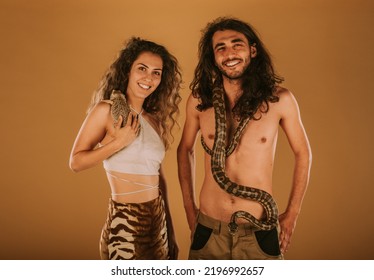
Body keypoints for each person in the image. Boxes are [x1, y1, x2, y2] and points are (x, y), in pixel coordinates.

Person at [177, 17, 312, 260]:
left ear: (253, 50)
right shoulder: (199, 101)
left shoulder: (280, 100)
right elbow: (184, 149)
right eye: (221, 47)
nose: (229, 53)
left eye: (236, 44)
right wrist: (189, 210)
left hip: (260, 229)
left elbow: (303, 152)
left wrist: (292, 213)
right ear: (213, 57)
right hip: (209, 228)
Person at [69, 37, 182, 260]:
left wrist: (170, 228)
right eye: (142, 68)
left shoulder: (154, 120)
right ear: (127, 70)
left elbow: (159, 176)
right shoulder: (106, 111)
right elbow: (76, 162)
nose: (149, 78)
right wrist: (118, 142)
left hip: (157, 221)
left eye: (156, 72)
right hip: (125, 222)